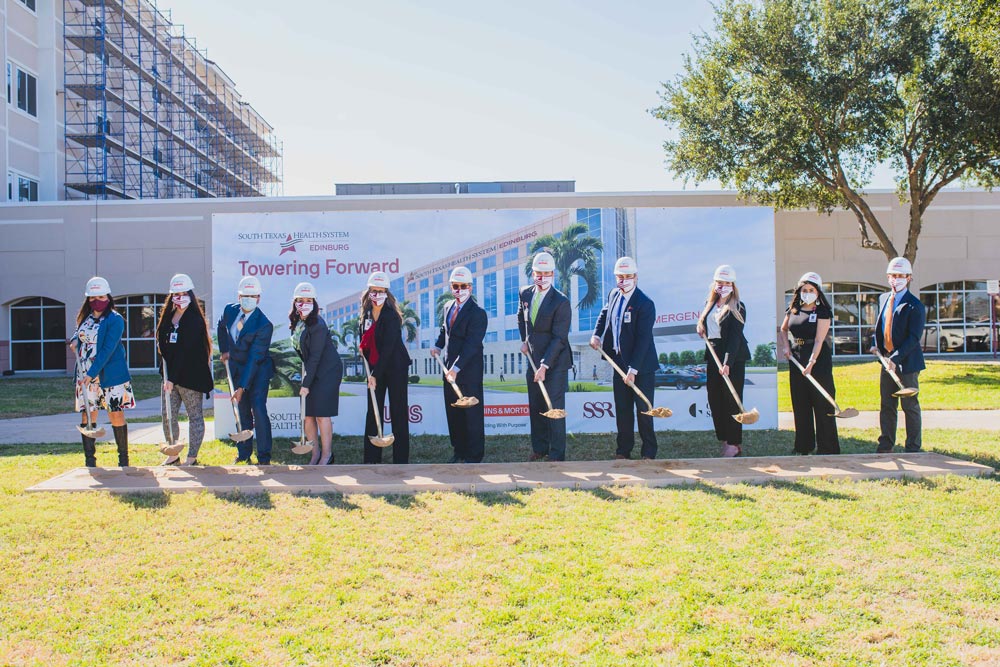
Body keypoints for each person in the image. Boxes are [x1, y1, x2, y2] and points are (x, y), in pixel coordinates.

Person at [590, 256, 659, 459]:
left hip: (641, 366)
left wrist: (634, 369)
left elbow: (643, 339)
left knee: (644, 410)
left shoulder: (645, 304)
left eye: (628, 276)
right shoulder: (613, 294)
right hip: (618, 362)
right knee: (623, 409)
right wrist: (596, 333)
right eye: (620, 276)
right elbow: (604, 313)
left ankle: (648, 451)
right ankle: (623, 450)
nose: (623, 280)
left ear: (635, 277)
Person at [70, 277, 135, 467]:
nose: (96, 300)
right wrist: (76, 340)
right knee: (87, 414)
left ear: (107, 296)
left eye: (100, 296)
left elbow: (107, 349)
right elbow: (80, 331)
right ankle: (90, 460)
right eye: (92, 297)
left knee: (115, 413)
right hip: (85, 377)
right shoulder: (87, 316)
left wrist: (92, 372)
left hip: (110, 375)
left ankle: (123, 459)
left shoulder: (115, 320)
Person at [518, 251, 572, 461]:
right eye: (538, 273)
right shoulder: (525, 293)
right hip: (533, 359)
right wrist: (525, 340)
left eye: (547, 272)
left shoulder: (561, 301)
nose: (542, 277)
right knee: (536, 405)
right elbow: (520, 318)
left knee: (554, 408)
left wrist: (544, 366)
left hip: (555, 363)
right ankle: (539, 448)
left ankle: (557, 454)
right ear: (533, 273)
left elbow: (559, 338)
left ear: (553, 273)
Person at [155, 273, 214, 466]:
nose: (179, 297)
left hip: (190, 376)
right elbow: (163, 344)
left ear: (190, 294)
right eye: (176, 294)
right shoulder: (169, 316)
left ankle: (192, 457)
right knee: (167, 414)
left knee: (194, 415)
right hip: (170, 377)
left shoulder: (195, 320)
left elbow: (184, 352)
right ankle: (173, 453)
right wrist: (166, 376)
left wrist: (172, 377)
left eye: (183, 293)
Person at [432, 266, 488, 463]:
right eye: (455, 286)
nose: (459, 290)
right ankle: (459, 451)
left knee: (471, 415)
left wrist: (456, 368)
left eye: (463, 286)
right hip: (449, 371)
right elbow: (445, 330)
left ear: (470, 288)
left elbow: (472, 345)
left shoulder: (478, 314)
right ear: (451, 287)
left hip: (468, 372)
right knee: (454, 414)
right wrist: (438, 346)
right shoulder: (448, 306)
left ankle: (474, 455)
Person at [779, 272, 839, 455]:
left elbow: (820, 340)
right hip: (797, 357)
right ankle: (803, 446)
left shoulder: (822, 312)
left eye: (811, 289)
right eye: (804, 290)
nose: (807, 293)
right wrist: (787, 347)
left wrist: (812, 361)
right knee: (800, 402)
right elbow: (783, 329)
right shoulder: (794, 309)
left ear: (818, 292)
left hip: (817, 359)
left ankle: (827, 447)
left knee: (821, 403)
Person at [217, 276, 275, 465]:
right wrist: (224, 349)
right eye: (244, 295)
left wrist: (242, 387)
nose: (248, 298)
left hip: (257, 370)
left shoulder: (264, 324)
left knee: (257, 408)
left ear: (258, 298)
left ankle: (264, 457)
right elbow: (221, 326)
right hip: (236, 367)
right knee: (241, 411)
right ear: (239, 296)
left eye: (252, 295)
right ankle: (243, 453)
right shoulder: (229, 310)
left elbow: (254, 358)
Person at [871, 257, 926, 453]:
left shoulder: (915, 306)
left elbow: (913, 338)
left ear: (909, 278)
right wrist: (876, 345)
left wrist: (895, 359)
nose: (897, 279)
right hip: (886, 362)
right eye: (893, 275)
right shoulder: (884, 299)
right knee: (887, 405)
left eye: (901, 276)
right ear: (888, 277)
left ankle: (912, 447)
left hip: (907, 363)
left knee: (909, 406)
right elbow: (881, 326)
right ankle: (885, 444)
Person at [696, 264, 751, 457]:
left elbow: (735, 338)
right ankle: (725, 439)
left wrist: (728, 362)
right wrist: (700, 326)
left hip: (733, 358)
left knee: (731, 401)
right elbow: (705, 324)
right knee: (715, 399)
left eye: (727, 283)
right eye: (720, 282)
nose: (723, 286)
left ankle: (734, 444)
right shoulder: (709, 303)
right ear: (715, 284)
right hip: (713, 355)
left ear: (733, 285)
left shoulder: (738, 306)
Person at [359, 271, 411, 464]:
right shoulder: (365, 314)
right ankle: (371, 459)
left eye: (381, 291)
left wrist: (375, 375)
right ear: (369, 292)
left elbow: (388, 349)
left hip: (395, 367)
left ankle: (401, 460)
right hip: (375, 368)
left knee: (398, 411)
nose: (377, 294)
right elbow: (364, 339)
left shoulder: (391, 316)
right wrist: (362, 347)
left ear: (386, 293)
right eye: (374, 290)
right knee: (373, 411)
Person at [289, 281, 343, 465]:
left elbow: (315, 357)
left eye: (308, 300)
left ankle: (327, 455)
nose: (304, 303)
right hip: (312, 370)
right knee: (308, 414)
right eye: (300, 300)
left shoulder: (318, 324)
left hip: (327, 371)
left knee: (321, 414)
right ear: (295, 302)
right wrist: (306, 380)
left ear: (314, 302)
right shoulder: (298, 322)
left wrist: (305, 384)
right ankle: (315, 454)